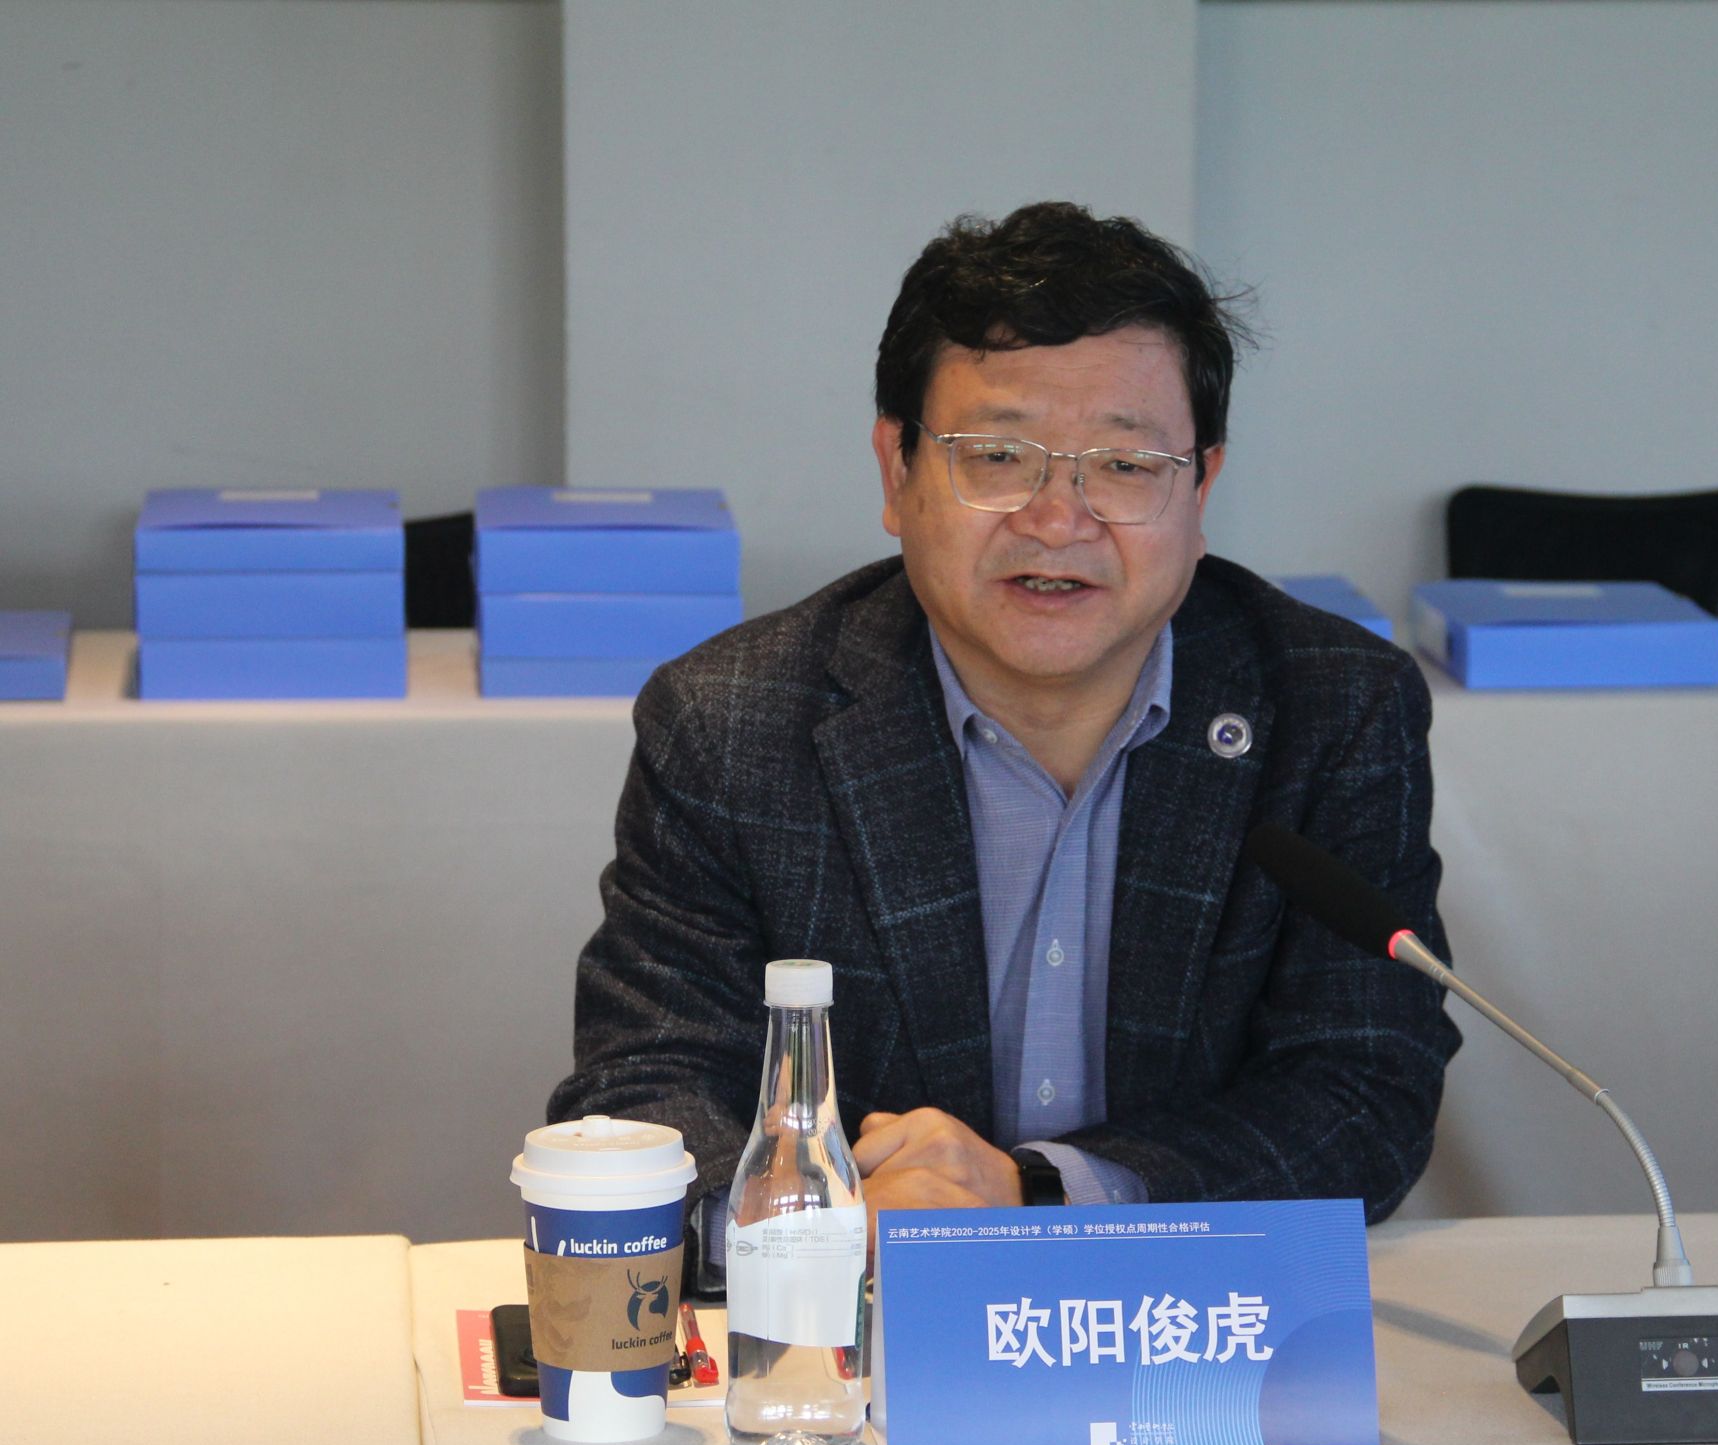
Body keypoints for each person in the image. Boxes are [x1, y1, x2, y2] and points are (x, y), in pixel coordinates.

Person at [551, 201, 1458, 1275]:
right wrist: (817, 1220)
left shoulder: (1332, 708)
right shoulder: (733, 721)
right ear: (896, 472)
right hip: (859, 1322)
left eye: (1125, 466)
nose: (1058, 519)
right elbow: (647, 1084)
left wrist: (1039, 1194)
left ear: (1201, 486)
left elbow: (1362, 1087)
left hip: (1180, 1320)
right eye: (996, 455)